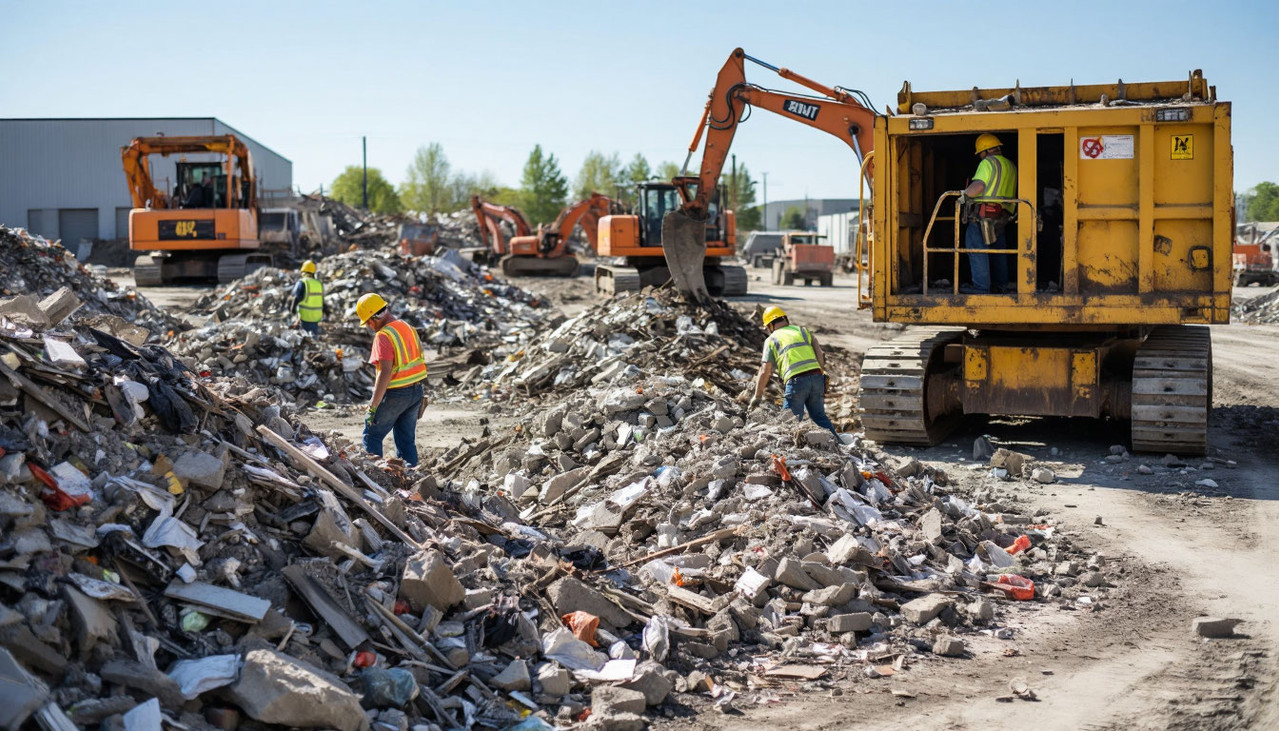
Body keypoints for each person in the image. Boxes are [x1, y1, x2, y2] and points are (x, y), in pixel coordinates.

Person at [744, 306, 838, 439]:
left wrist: (757, 396)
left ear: (770, 325)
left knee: (788, 421)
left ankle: (784, 449)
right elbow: (820, 354)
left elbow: (765, 371)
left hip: (796, 382)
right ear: (785, 318)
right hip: (817, 378)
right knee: (819, 417)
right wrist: (819, 374)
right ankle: (839, 445)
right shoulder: (803, 331)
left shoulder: (771, 340)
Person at [356, 293, 426, 466]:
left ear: (374, 317)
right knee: (406, 441)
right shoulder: (407, 327)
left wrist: (373, 406)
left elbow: (385, 372)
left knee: (372, 435)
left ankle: (374, 476)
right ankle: (411, 477)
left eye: (368, 322)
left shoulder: (383, 336)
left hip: (396, 394)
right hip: (416, 391)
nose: (369, 326)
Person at [960, 133, 1018, 293]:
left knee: (976, 248)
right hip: (1003, 216)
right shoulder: (1011, 166)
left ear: (985, 151)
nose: (980, 156)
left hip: (984, 215)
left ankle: (981, 288)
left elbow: (979, 186)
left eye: (980, 153)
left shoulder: (988, 162)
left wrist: (962, 197)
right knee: (998, 250)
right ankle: (1001, 285)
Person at [291, 260, 324, 334]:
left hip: (305, 317)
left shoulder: (302, 282)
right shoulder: (318, 284)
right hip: (316, 317)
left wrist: (292, 311)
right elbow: (322, 301)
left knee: (305, 337)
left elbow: (296, 297)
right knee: (313, 336)